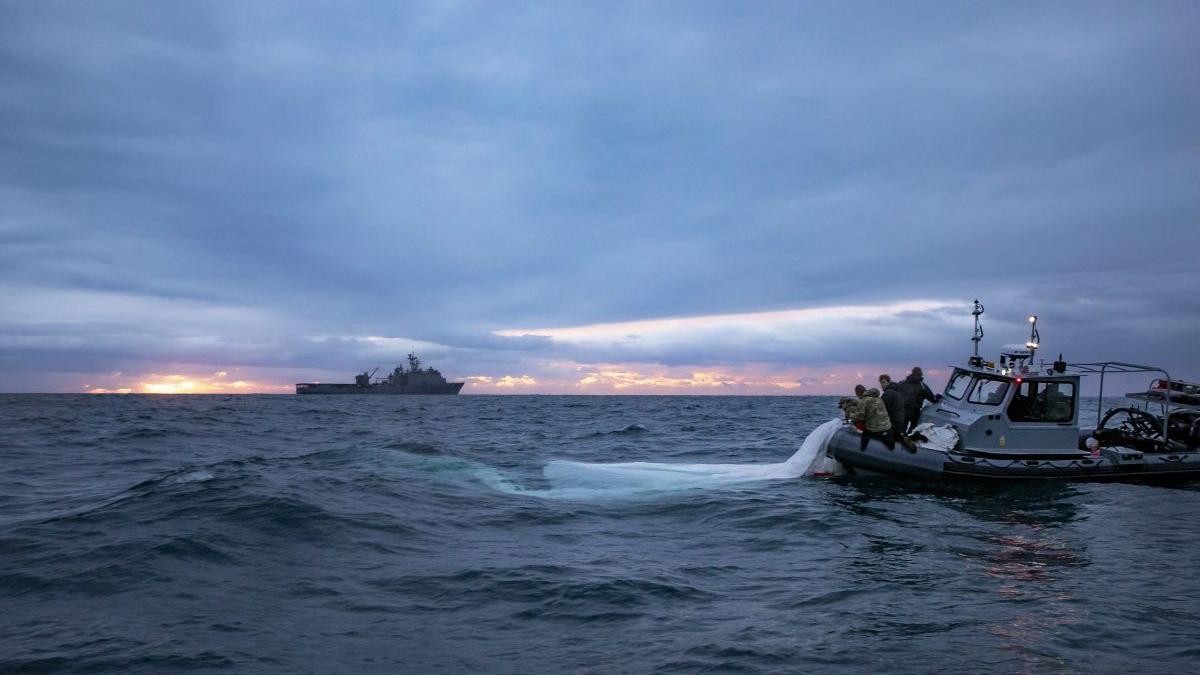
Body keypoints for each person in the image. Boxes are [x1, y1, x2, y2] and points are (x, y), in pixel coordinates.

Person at [852, 384, 894, 450]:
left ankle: (862, 450)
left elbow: (860, 418)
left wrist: (851, 416)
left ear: (858, 393)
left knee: (862, 427)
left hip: (876, 429)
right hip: (887, 427)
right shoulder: (878, 398)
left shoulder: (863, 401)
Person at [899, 366, 939, 433]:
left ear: (912, 373)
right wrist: (937, 398)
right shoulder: (922, 386)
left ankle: (901, 439)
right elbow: (932, 398)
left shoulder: (902, 383)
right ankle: (908, 438)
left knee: (901, 429)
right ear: (920, 375)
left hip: (902, 410)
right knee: (913, 429)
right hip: (914, 411)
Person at [878, 374, 907, 440]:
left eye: (884, 382)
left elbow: (881, 409)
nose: (882, 384)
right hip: (900, 423)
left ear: (888, 382)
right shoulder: (897, 392)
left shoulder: (888, 393)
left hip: (893, 424)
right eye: (881, 383)